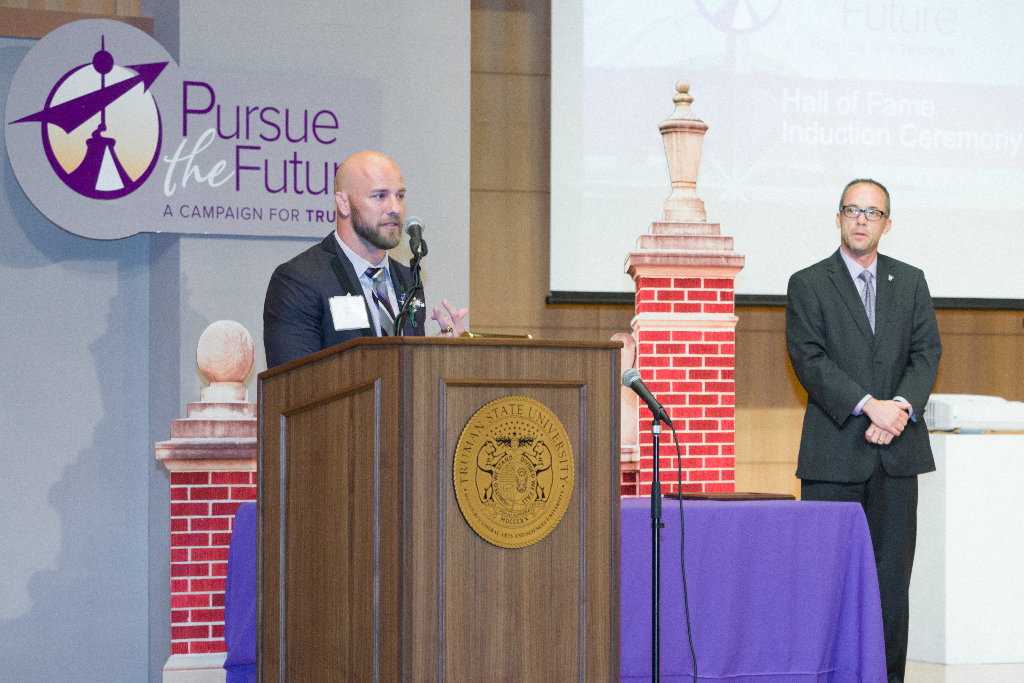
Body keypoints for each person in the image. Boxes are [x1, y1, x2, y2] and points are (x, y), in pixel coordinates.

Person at [785, 179, 942, 683]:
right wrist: (869, 406)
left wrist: (899, 409)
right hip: (833, 458)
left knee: (891, 589)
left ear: (886, 225)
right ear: (837, 218)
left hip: (897, 458)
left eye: (872, 213)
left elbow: (926, 354)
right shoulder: (808, 283)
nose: (861, 219)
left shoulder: (911, 281)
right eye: (852, 210)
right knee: (826, 585)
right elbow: (809, 359)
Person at [264, 150, 468, 369]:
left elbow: (406, 373)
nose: (395, 209)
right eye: (380, 196)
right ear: (343, 203)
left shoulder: (409, 281)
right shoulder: (299, 280)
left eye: (399, 196)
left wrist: (435, 354)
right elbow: (293, 381)